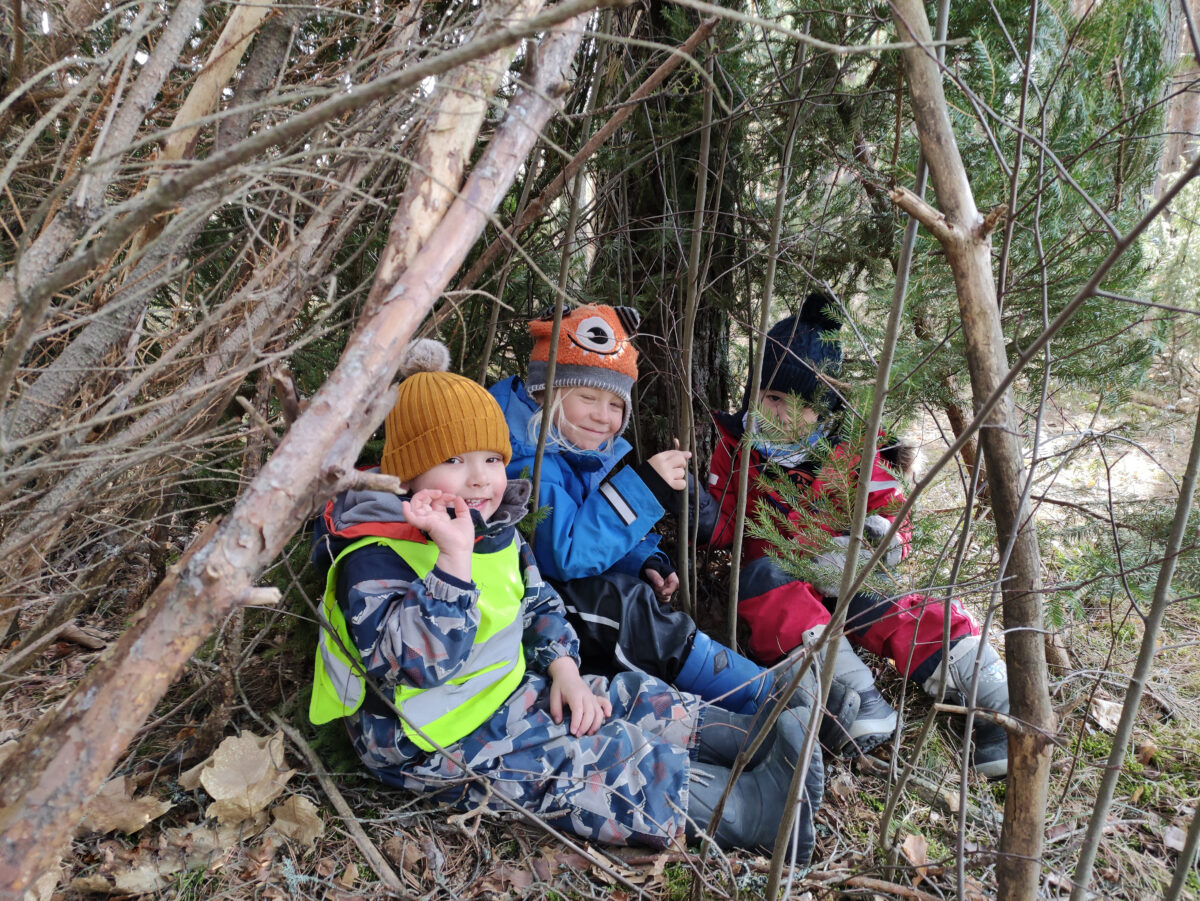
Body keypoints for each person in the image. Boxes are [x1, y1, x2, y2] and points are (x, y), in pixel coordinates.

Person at [307, 338, 824, 858]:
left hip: (502, 695)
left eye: (491, 458)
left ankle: (755, 741)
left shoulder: (491, 528)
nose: (479, 478)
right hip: (424, 741)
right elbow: (415, 668)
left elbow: (539, 605)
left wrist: (564, 671)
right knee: (591, 762)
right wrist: (452, 564)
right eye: (453, 459)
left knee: (627, 698)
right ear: (410, 470)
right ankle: (754, 813)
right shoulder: (373, 555)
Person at [488, 305, 856, 751]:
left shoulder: (572, 444)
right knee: (625, 609)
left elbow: (595, 527)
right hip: (527, 612)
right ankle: (767, 697)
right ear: (546, 391)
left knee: (635, 598)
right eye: (588, 397)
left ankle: (763, 705)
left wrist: (645, 560)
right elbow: (564, 554)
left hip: (560, 605)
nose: (603, 416)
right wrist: (642, 488)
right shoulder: (529, 461)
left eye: (616, 404)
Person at [691, 293, 1011, 778]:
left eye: (797, 406)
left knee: (884, 603)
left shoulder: (856, 449)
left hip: (838, 568)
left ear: (826, 410)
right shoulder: (737, 446)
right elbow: (727, 527)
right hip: (774, 580)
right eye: (770, 397)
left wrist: (875, 541)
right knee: (768, 586)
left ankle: (983, 687)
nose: (777, 414)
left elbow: (893, 517)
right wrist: (697, 509)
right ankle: (851, 696)